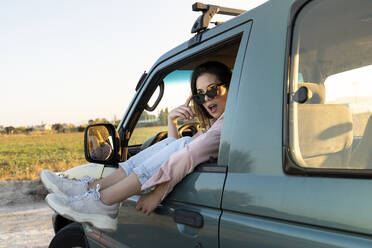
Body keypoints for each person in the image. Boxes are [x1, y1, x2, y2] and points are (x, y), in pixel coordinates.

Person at [40, 61, 231, 232]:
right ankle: (92, 189)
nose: (206, 99)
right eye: (199, 96)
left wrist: (158, 192)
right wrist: (172, 120)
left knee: (184, 142)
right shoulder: (218, 124)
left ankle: (104, 201)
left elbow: (188, 153)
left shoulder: (225, 126)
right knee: (177, 142)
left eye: (212, 90)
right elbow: (174, 147)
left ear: (231, 86)